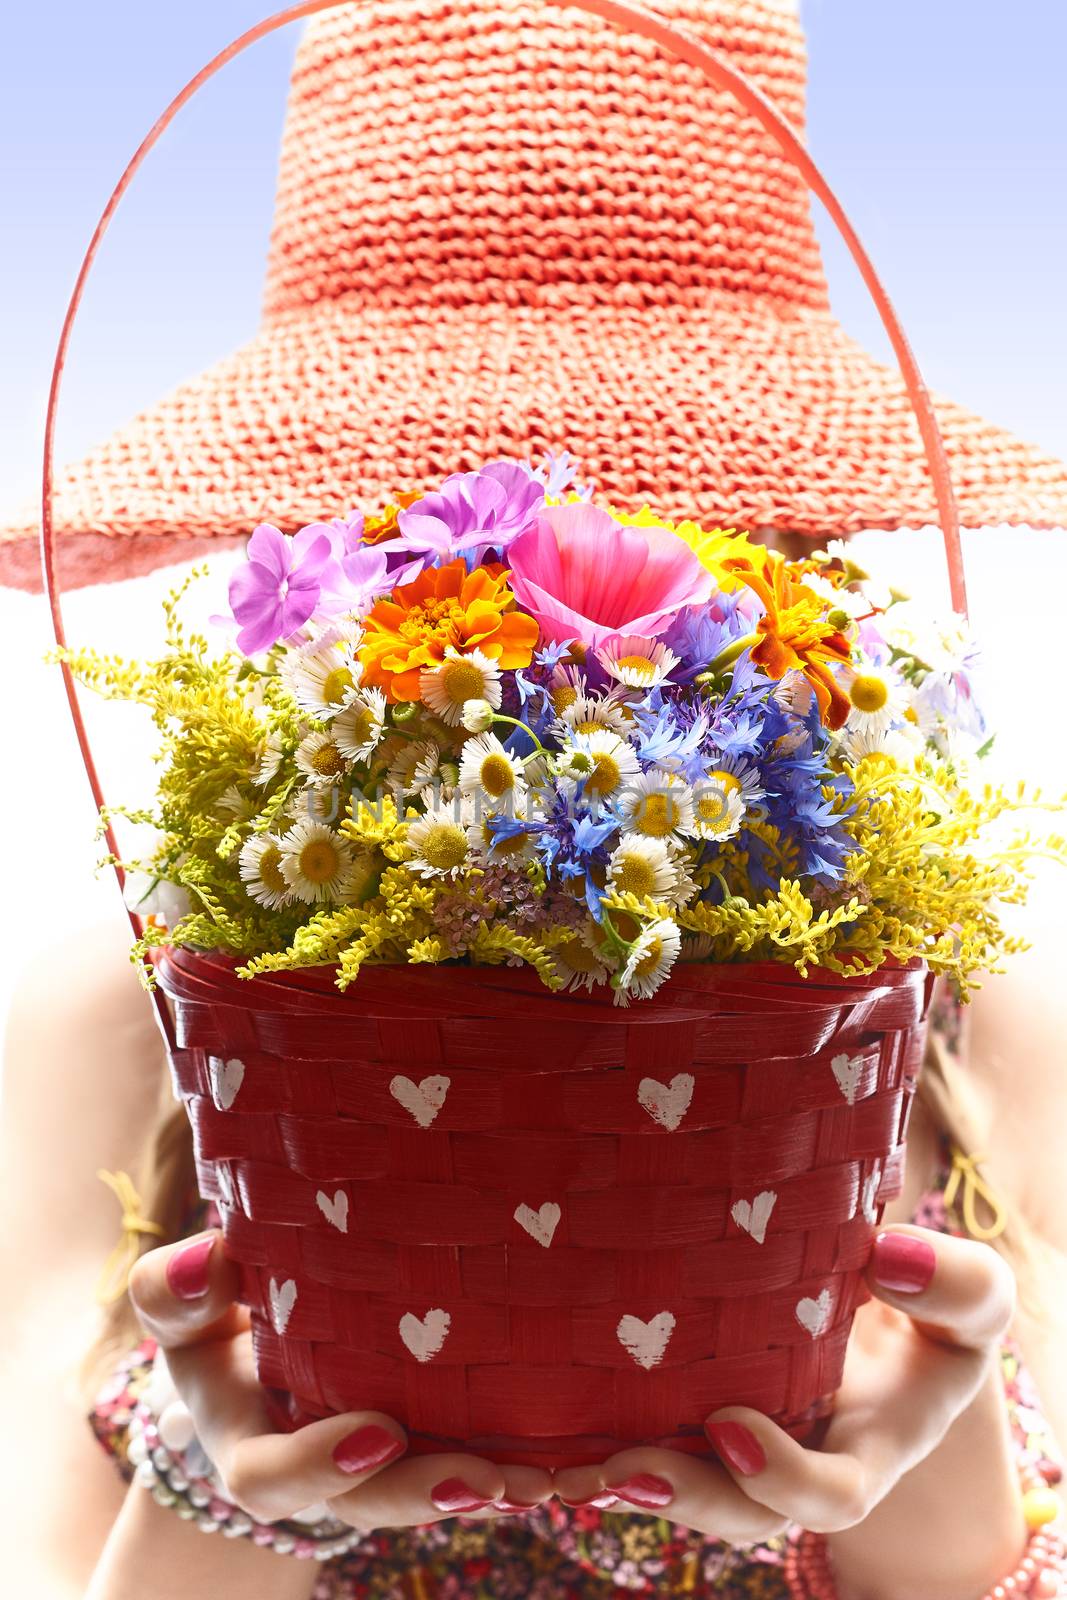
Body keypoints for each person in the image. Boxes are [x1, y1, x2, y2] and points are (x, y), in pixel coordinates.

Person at [2, 3, 1065, 1597]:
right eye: (426, 533)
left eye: (661, 499)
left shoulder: (963, 1017)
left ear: (797, 556)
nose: (523, 589)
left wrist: (904, 1427)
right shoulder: (128, 1008)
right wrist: (236, 1475)